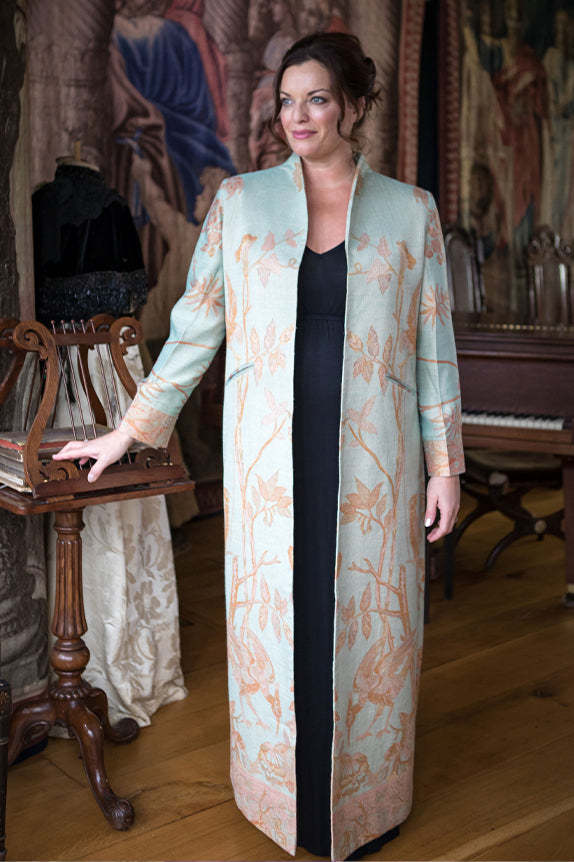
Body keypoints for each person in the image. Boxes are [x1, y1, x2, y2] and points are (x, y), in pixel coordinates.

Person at [55, 32, 463, 861]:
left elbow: (433, 349)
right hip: (271, 467)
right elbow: (193, 331)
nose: (298, 115)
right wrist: (129, 430)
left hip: (372, 470)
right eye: (286, 100)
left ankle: (367, 806)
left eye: (317, 98)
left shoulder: (410, 211)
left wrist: (445, 464)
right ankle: (282, 805)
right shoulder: (239, 204)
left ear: (354, 104)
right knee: (284, 624)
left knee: (364, 629)